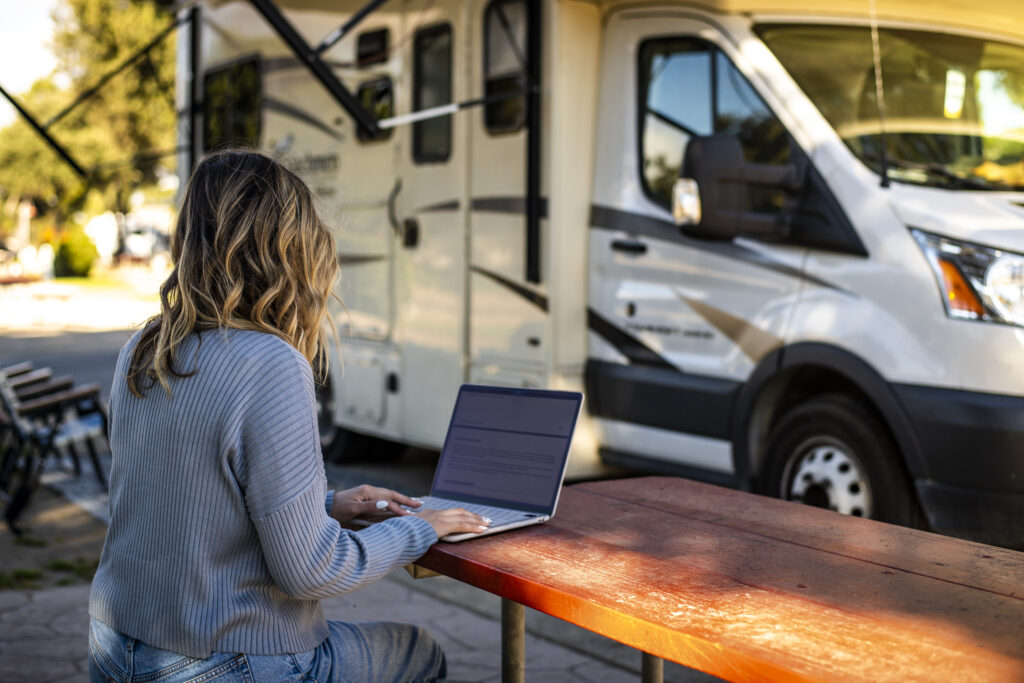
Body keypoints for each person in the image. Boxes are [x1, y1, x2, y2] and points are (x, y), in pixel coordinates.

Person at [87, 149, 489, 682]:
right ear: (291, 249)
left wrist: (326, 506)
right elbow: (310, 572)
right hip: (224, 660)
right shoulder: (270, 362)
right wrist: (420, 529)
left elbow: (191, 503)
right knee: (418, 653)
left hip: (115, 646)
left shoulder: (146, 346)